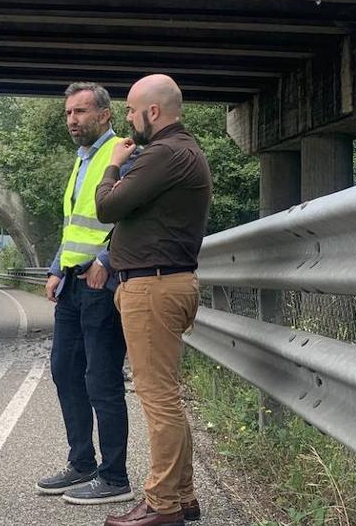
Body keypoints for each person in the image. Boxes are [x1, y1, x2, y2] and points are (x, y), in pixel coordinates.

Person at [95, 74, 212, 526]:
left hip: (154, 288)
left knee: (158, 398)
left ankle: (162, 504)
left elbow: (107, 206)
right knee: (167, 396)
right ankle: (182, 496)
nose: (127, 117)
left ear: (154, 112)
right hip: (165, 284)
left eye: (130, 110)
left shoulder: (163, 154)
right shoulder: (184, 151)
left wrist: (112, 164)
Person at [35, 83, 133, 507]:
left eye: (80, 112)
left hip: (101, 286)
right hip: (73, 285)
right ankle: (81, 463)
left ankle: (115, 476)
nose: (72, 120)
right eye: (68, 113)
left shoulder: (124, 156)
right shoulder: (81, 162)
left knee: (102, 380)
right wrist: (57, 269)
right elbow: (74, 224)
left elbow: (134, 217)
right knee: (65, 372)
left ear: (105, 115)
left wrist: (107, 260)